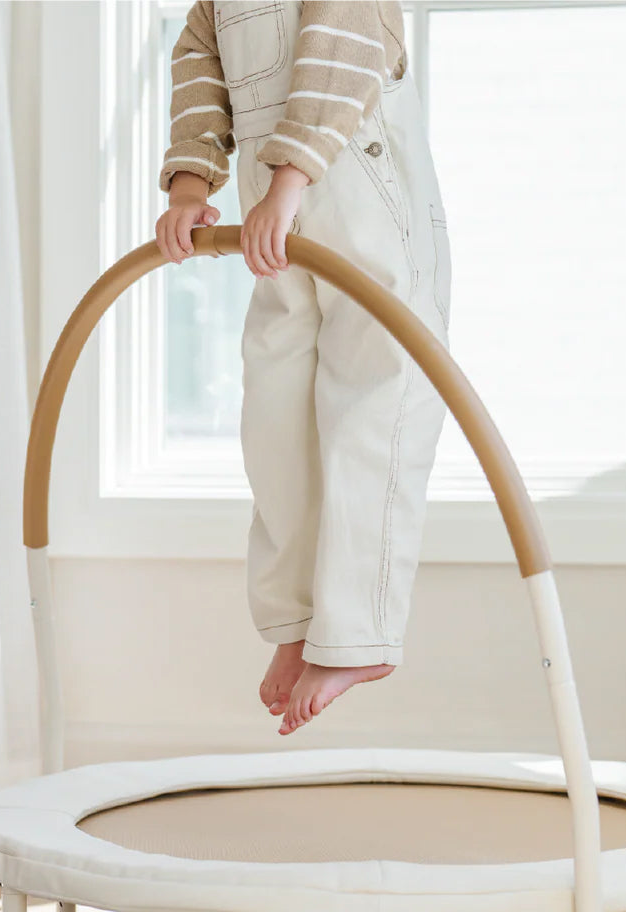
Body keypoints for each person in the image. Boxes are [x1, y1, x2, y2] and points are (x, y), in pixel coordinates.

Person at [156, 1, 452, 736]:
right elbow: (198, 65)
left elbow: (343, 49)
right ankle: (298, 620)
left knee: (372, 408)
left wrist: (290, 181)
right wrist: (191, 185)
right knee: (277, 416)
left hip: (360, 187)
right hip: (275, 211)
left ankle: (358, 635)